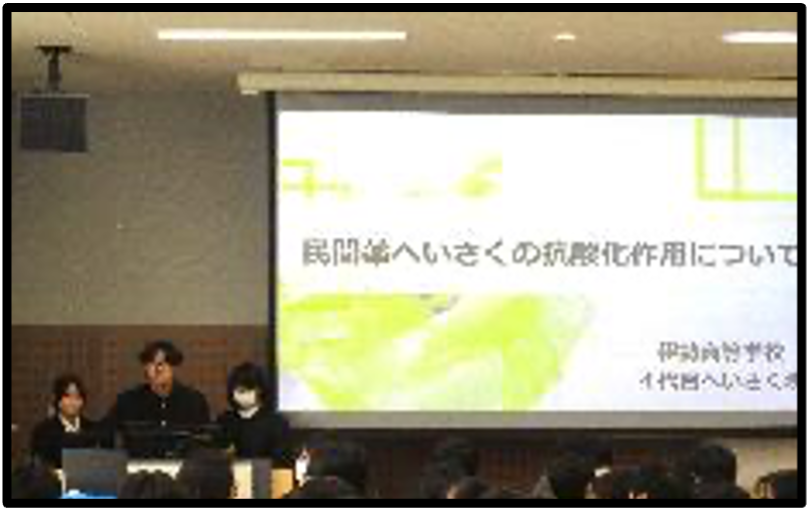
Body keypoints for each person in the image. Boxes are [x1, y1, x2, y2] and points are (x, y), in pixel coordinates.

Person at [106, 341, 211, 458]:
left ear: (174, 367)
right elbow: (105, 433)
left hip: (184, 466)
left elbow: (205, 441)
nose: (158, 369)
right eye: (152, 363)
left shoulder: (194, 401)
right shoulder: (127, 400)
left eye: (163, 363)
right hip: (140, 466)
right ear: (145, 368)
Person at [216, 363, 291, 462]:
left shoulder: (277, 423)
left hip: (264, 471)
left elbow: (281, 461)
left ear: (260, 390)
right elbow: (216, 455)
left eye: (247, 389)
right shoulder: (225, 420)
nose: (241, 394)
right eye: (237, 390)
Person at [30, 375, 107, 468]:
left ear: (82, 402)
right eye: (68, 397)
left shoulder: (92, 429)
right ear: (58, 401)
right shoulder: (43, 431)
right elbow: (40, 465)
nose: (73, 402)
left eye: (77, 397)